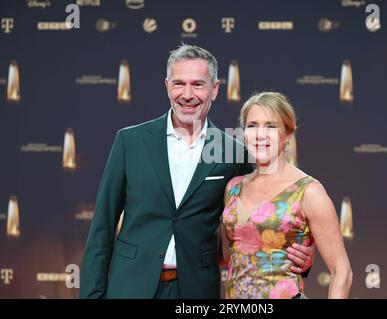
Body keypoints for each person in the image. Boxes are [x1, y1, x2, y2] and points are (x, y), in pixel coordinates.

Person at [79, 45, 314, 299]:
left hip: (196, 291)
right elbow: (102, 227)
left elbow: (261, 217)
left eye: (198, 85)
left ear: (214, 89)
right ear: (167, 86)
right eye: (179, 84)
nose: (187, 94)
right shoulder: (130, 141)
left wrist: (299, 252)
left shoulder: (233, 152)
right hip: (130, 287)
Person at [222, 92, 353, 299]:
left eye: (270, 126)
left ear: (287, 135)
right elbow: (228, 254)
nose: (260, 134)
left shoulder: (308, 191)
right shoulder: (234, 188)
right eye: (252, 125)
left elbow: (341, 271)